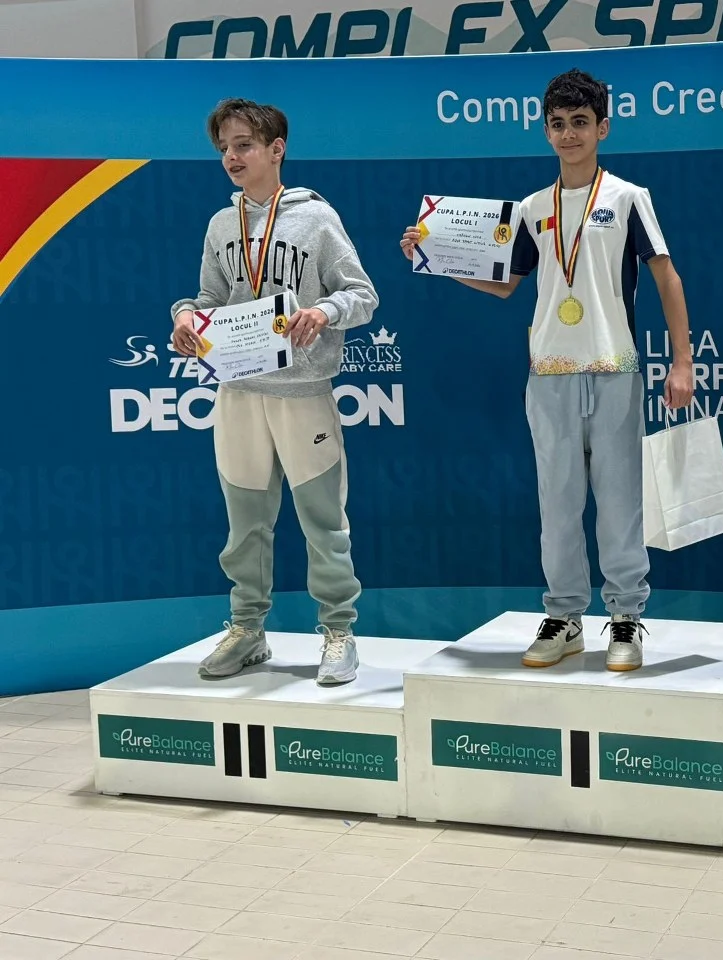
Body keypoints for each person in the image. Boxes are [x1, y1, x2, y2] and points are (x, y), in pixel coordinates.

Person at [401, 68, 694, 672]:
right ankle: (564, 616)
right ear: (546, 130)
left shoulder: (628, 197)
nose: (568, 134)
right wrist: (435, 257)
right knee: (557, 507)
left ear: (603, 128)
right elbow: (506, 284)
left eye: (580, 122)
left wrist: (682, 360)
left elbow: (667, 278)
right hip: (549, 374)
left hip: (614, 369)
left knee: (620, 503)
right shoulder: (534, 208)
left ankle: (625, 616)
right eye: (558, 124)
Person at [171, 98, 379, 685]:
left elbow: (363, 294)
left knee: (323, 522)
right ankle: (247, 629)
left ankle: (338, 631)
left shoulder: (316, 219)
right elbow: (208, 299)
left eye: (243, 145)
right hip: (238, 392)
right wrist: (186, 317)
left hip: (302, 392)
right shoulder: (221, 224)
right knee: (245, 525)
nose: (232, 157)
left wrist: (324, 311)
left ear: (275, 149)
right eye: (225, 149)